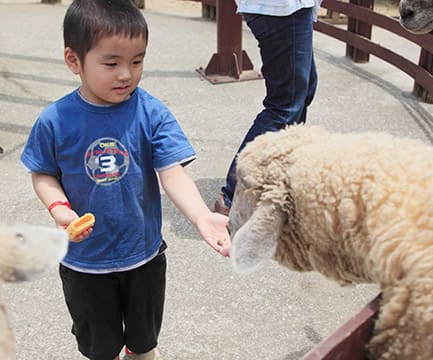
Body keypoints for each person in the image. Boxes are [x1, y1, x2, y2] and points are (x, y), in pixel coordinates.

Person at [20, 1, 231, 359]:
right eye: (111, 63)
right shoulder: (55, 120)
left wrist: (200, 215)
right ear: (74, 61)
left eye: (137, 61)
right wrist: (59, 208)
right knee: (100, 348)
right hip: (84, 262)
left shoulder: (151, 111)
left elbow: (172, 171)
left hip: (143, 256)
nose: (126, 75)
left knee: (144, 343)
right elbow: (42, 172)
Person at [214, 0, 321, 215]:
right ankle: (233, 195)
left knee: (303, 89)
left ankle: (283, 173)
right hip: (283, 9)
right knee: (284, 104)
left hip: (284, 8)